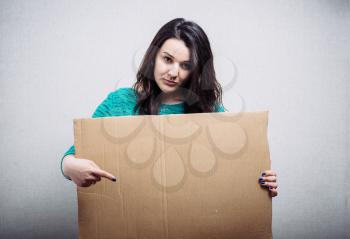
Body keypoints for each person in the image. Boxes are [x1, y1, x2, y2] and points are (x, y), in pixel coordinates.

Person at [61, 18, 278, 197]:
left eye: (186, 65)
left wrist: (262, 179)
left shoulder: (210, 111)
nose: (174, 72)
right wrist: (69, 167)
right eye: (167, 59)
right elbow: (73, 155)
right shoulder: (120, 102)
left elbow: (235, 169)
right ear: (153, 56)